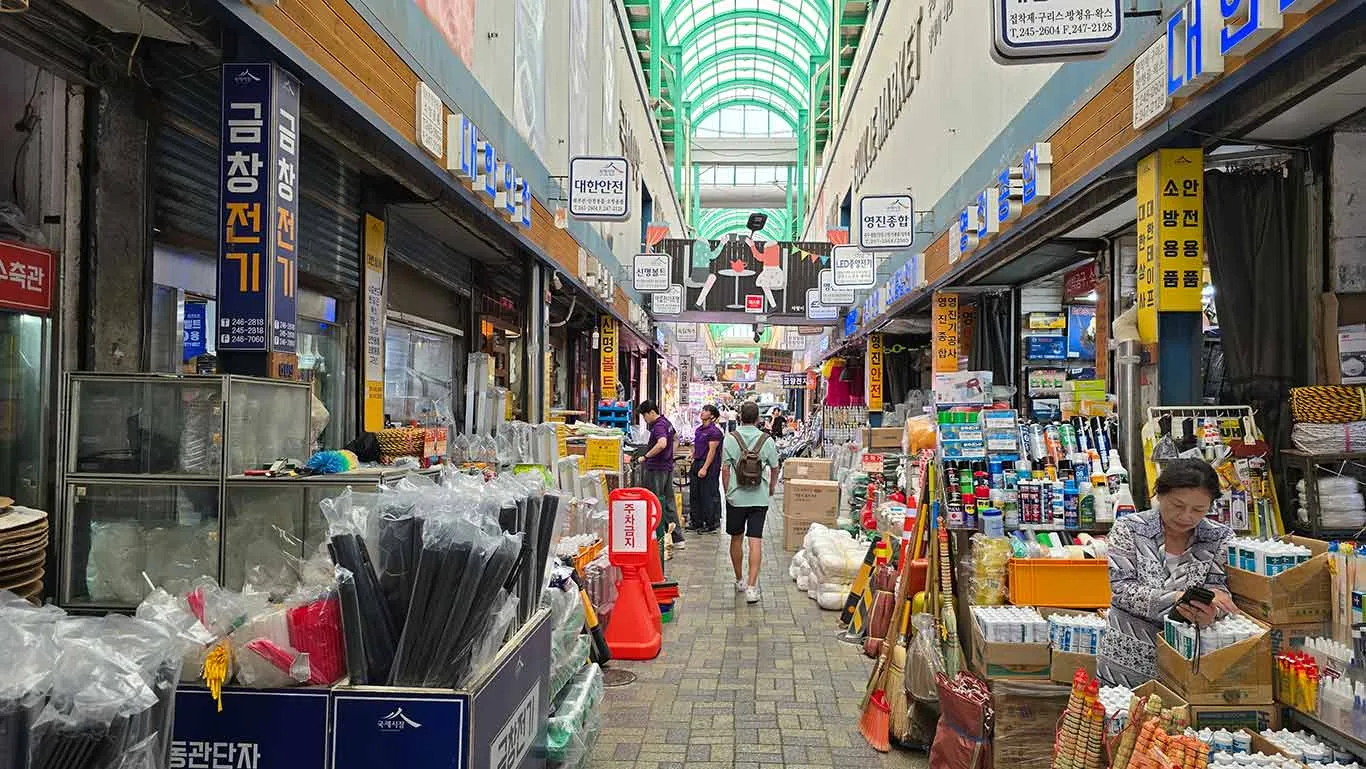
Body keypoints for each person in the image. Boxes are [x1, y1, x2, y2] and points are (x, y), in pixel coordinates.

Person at [1096, 458, 1239, 687]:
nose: (1186, 516)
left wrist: (1213, 609)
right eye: (1178, 506)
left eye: (1198, 509)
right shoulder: (1130, 528)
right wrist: (1176, 600)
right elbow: (1122, 590)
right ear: (1159, 495)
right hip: (1128, 657)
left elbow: (1220, 586)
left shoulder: (1220, 537)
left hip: (1189, 661)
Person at [721, 401, 780, 604]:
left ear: (739, 417)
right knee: (755, 540)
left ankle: (739, 580)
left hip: (736, 498)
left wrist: (728, 491)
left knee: (736, 538)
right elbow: (775, 468)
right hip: (759, 497)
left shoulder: (730, 439)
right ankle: (752, 588)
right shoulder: (767, 440)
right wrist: (771, 488)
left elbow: (725, 469)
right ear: (757, 419)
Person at [634, 400, 684, 550]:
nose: (644, 419)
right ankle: (677, 538)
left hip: (657, 469)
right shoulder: (666, 422)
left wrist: (646, 457)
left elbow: (662, 443)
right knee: (668, 502)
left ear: (651, 412)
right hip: (666, 467)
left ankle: (656, 537)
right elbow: (675, 438)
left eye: (644, 416)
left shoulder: (659, 426)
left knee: (655, 502)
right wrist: (670, 456)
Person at [688, 404, 724, 533]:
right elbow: (697, 446)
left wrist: (704, 468)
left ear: (712, 416)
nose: (702, 412)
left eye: (706, 411)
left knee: (707, 494)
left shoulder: (715, 432)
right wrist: (692, 455)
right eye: (703, 410)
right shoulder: (699, 429)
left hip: (709, 465)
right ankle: (696, 521)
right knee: (695, 493)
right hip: (697, 462)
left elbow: (712, 451)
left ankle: (711, 522)